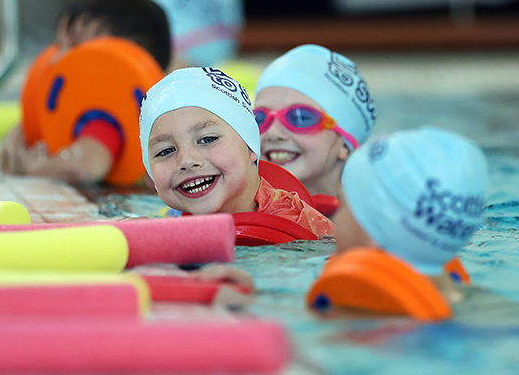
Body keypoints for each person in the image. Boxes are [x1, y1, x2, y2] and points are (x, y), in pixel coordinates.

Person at [0, 0, 171, 184]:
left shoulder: (105, 119)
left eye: (75, 47)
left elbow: (83, 166)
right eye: (58, 45)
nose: (55, 59)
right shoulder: (81, 112)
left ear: (124, 60)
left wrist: (32, 169)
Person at [139, 67, 334, 238]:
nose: (187, 160)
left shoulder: (310, 234)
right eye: (165, 151)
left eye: (207, 140)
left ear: (251, 147)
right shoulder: (167, 224)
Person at [332, 126, 489, 304]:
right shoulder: (480, 302)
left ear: (373, 235)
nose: (336, 219)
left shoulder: (351, 313)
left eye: (343, 206)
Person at [253, 44, 376, 216]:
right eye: (259, 118)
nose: (273, 133)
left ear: (345, 145)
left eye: (301, 118)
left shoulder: (370, 225)